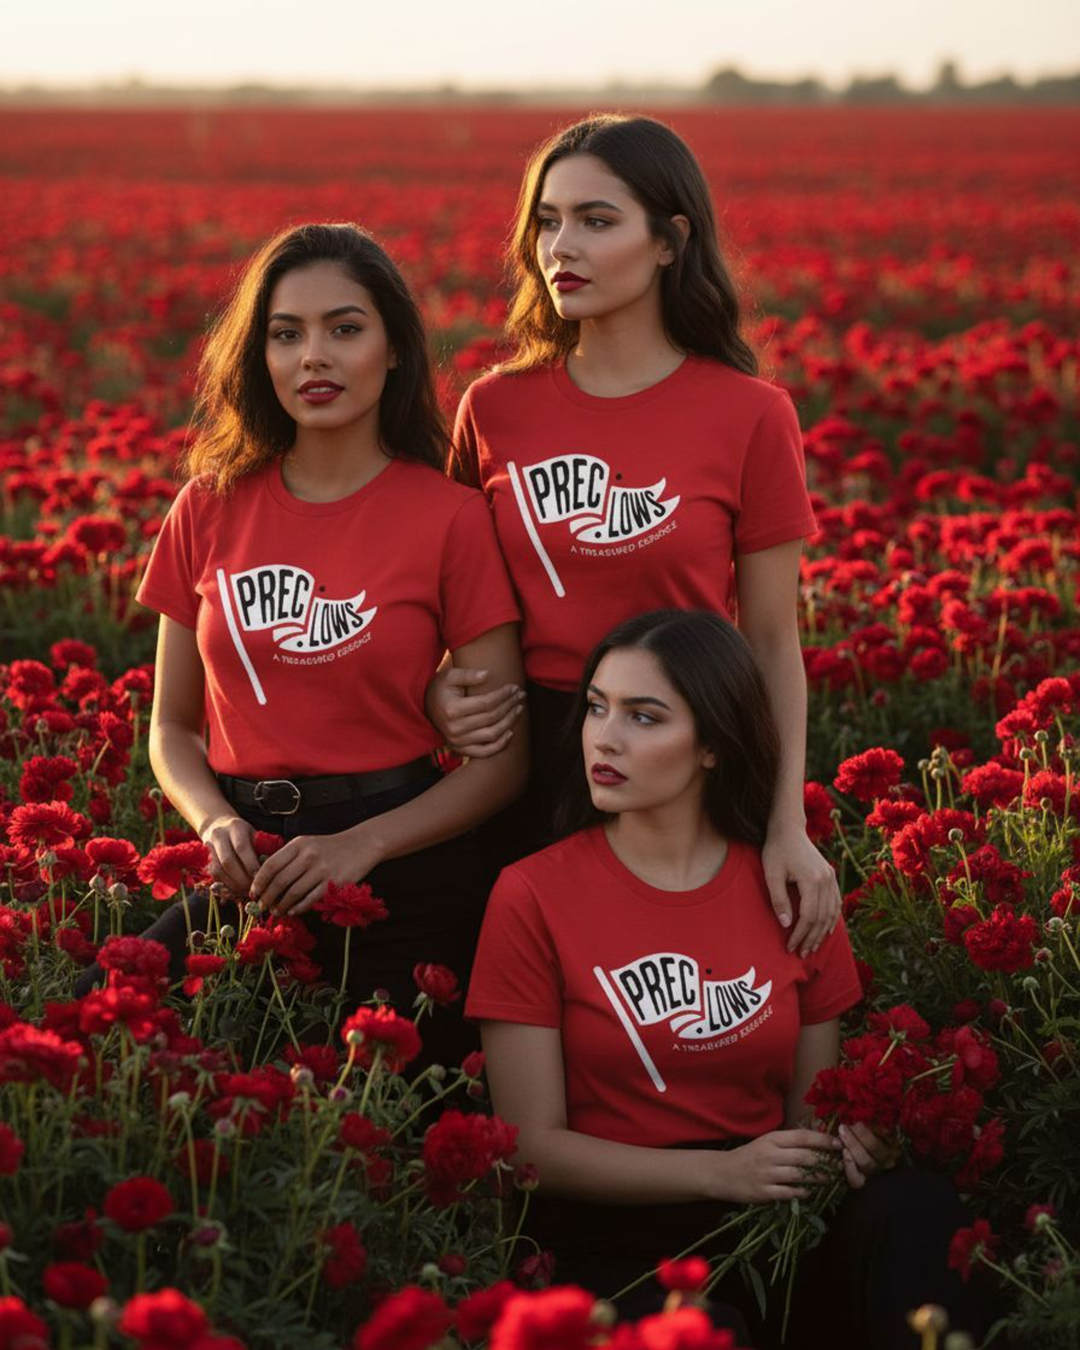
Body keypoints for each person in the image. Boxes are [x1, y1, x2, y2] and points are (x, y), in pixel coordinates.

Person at [466, 610, 989, 1350]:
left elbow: (810, 1112)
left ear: (712, 744)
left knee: (919, 1210)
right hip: (612, 1239)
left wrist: (847, 1143)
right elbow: (528, 1150)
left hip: (764, 1218)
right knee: (699, 1333)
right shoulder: (531, 894)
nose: (604, 737)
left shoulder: (793, 893)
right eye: (596, 707)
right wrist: (720, 1173)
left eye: (644, 716)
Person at [78, 223, 527, 1067]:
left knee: (376, 1117)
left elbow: (503, 763)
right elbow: (172, 727)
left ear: (394, 349)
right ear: (261, 354)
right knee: (107, 1051)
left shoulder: (452, 518)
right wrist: (213, 822)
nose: (313, 357)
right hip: (246, 861)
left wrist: (365, 844)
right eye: (287, 334)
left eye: (344, 329)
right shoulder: (207, 507)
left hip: (401, 863)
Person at [432, 113, 837, 958]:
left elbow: (769, 637)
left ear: (669, 242)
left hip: (678, 760)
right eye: (547, 222)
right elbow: (451, 606)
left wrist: (785, 822)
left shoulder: (750, 415)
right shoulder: (494, 409)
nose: (560, 247)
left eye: (596, 220)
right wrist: (436, 693)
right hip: (518, 762)